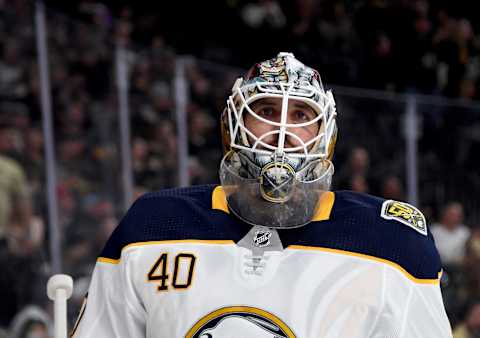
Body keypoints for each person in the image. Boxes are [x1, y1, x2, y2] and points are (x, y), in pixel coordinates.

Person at [71, 52, 452, 337]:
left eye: (301, 116)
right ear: (233, 124)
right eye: (265, 110)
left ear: (327, 135)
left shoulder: (392, 242)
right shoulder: (152, 225)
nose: (282, 131)